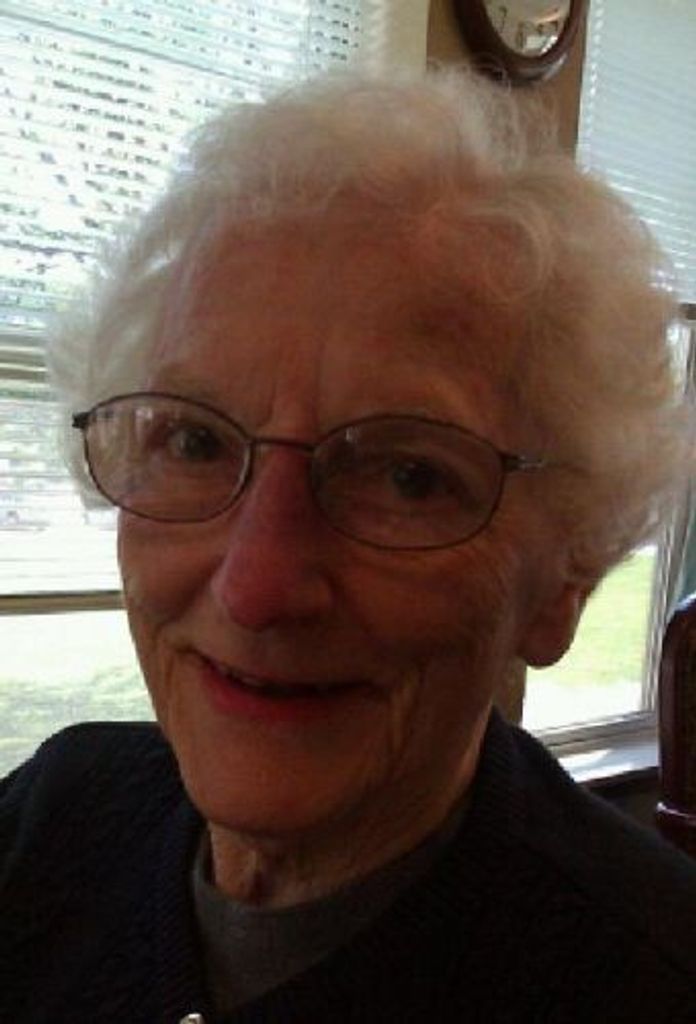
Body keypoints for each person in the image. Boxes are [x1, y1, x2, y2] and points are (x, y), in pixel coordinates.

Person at [1, 68, 695, 1024]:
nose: (257, 586)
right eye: (195, 441)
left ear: (564, 575)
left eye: (407, 475)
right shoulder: (56, 819)